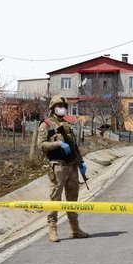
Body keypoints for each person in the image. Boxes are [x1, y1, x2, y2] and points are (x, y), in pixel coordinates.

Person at [37, 95, 89, 242]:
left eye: (65, 107)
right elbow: (41, 145)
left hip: (72, 166)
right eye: (60, 106)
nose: (63, 109)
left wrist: (81, 163)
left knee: (72, 198)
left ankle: (75, 229)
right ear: (53, 108)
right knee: (55, 199)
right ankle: (52, 230)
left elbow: (74, 146)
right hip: (58, 166)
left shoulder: (68, 125)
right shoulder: (46, 124)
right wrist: (58, 144)